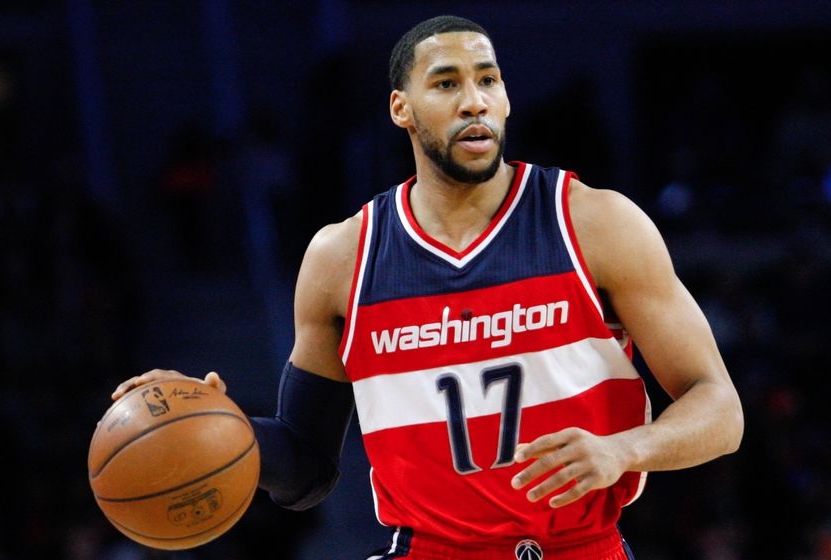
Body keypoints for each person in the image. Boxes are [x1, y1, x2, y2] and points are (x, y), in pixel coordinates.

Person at [112, 15, 743, 560]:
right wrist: (215, 426)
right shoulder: (342, 258)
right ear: (401, 108)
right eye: (446, 83)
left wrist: (626, 450)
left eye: (487, 80)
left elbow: (720, 408)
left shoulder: (595, 223)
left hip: (579, 546)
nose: (474, 100)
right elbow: (306, 467)